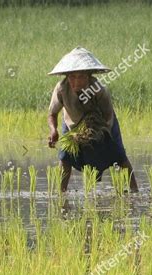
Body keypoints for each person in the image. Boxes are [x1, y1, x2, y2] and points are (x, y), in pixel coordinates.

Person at [47, 47, 138, 192]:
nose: (76, 82)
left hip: (101, 126)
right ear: (66, 77)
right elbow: (52, 114)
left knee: (119, 155)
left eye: (81, 77)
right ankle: (60, 193)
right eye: (72, 77)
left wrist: (93, 134)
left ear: (89, 76)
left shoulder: (99, 89)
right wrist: (53, 130)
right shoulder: (61, 89)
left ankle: (134, 190)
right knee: (65, 158)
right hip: (71, 125)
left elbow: (108, 116)